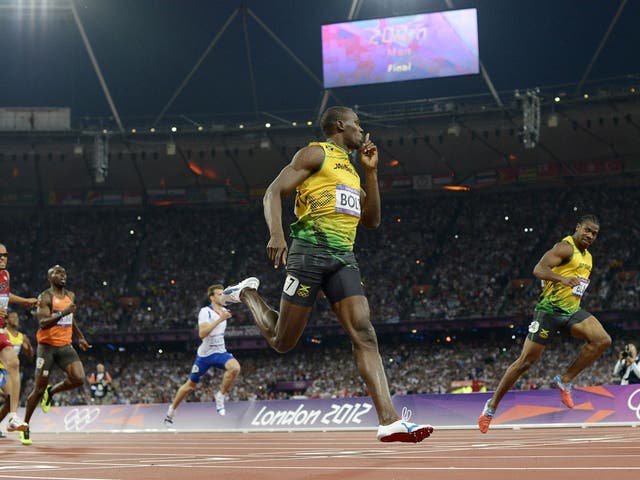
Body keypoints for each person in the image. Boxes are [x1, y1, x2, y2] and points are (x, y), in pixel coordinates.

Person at [223, 106, 433, 443]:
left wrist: (372, 174)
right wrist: (277, 234)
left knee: (364, 332)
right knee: (281, 341)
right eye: (357, 123)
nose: (361, 129)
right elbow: (272, 192)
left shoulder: (350, 171)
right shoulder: (315, 154)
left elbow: (373, 220)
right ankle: (248, 293)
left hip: (343, 259)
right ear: (339, 126)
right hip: (308, 253)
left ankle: (389, 421)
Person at [478, 214, 611, 433]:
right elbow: (538, 269)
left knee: (602, 340)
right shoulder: (564, 248)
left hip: (571, 311)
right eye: (587, 230)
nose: (589, 235)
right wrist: (561, 279)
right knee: (525, 363)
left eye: (594, 233)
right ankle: (491, 407)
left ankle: (565, 379)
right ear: (578, 227)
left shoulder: (588, 257)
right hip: (548, 312)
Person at [21, 265, 91, 445]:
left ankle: (52, 391)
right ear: (49, 278)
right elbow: (43, 323)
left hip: (65, 346)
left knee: (79, 378)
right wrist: (62, 313)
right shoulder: (45, 297)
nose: (62, 275)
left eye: (64, 273)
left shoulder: (71, 295)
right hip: (47, 348)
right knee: (38, 390)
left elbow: (71, 319)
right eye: (57, 273)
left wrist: (80, 337)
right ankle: (24, 425)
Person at [164, 284, 240, 425]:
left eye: (222, 294)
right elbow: (202, 334)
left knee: (235, 368)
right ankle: (171, 411)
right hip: (205, 355)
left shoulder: (224, 310)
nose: (222, 296)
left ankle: (220, 395)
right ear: (212, 297)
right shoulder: (205, 312)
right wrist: (220, 319)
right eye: (219, 294)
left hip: (220, 352)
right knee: (190, 386)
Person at [0, 243, 38, 434]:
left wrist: (25, 301)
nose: (3, 259)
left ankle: (13, 417)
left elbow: (6, 296)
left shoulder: (5, 276)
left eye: (5, 255)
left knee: (14, 363)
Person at [0, 311, 34, 438]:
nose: (16, 319)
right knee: (8, 396)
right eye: (13, 317)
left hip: (8, 370)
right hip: (2, 367)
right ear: (7, 320)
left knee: (9, 400)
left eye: (17, 317)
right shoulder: (5, 332)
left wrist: (29, 345)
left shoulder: (21, 337)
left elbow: (30, 355)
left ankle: (12, 418)